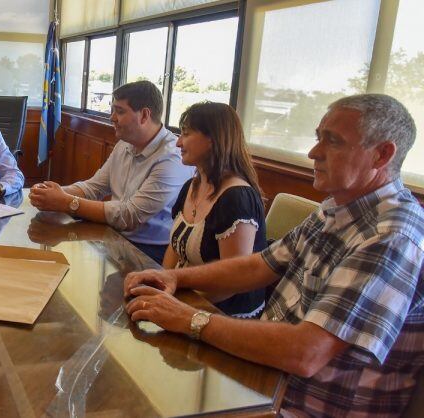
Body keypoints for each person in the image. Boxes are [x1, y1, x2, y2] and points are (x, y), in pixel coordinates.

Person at [123, 94, 423, 416]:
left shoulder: (391, 236)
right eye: (317, 137)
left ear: (382, 155)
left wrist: (189, 318)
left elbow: (306, 353)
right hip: (263, 382)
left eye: (332, 142)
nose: (313, 153)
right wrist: (174, 277)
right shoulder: (336, 208)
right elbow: (261, 264)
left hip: (298, 406)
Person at [29, 80, 194, 264]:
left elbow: (130, 215)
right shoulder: (125, 143)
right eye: (112, 110)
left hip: (151, 252)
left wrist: (66, 202)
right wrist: (49, 193)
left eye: (120, 111)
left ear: (145, 115)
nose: (112, 118)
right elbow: (94, 187)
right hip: (114, 237)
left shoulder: (172, 158)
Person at [166, 102, 267, 318]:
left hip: (226, 316)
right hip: (186, 299)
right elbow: (174, 248)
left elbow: (230, 283)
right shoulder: (191, 186)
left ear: (213, 139)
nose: (178, 142)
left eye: (186, 134)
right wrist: (161, 283)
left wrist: (174, 303)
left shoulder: (237, 198)